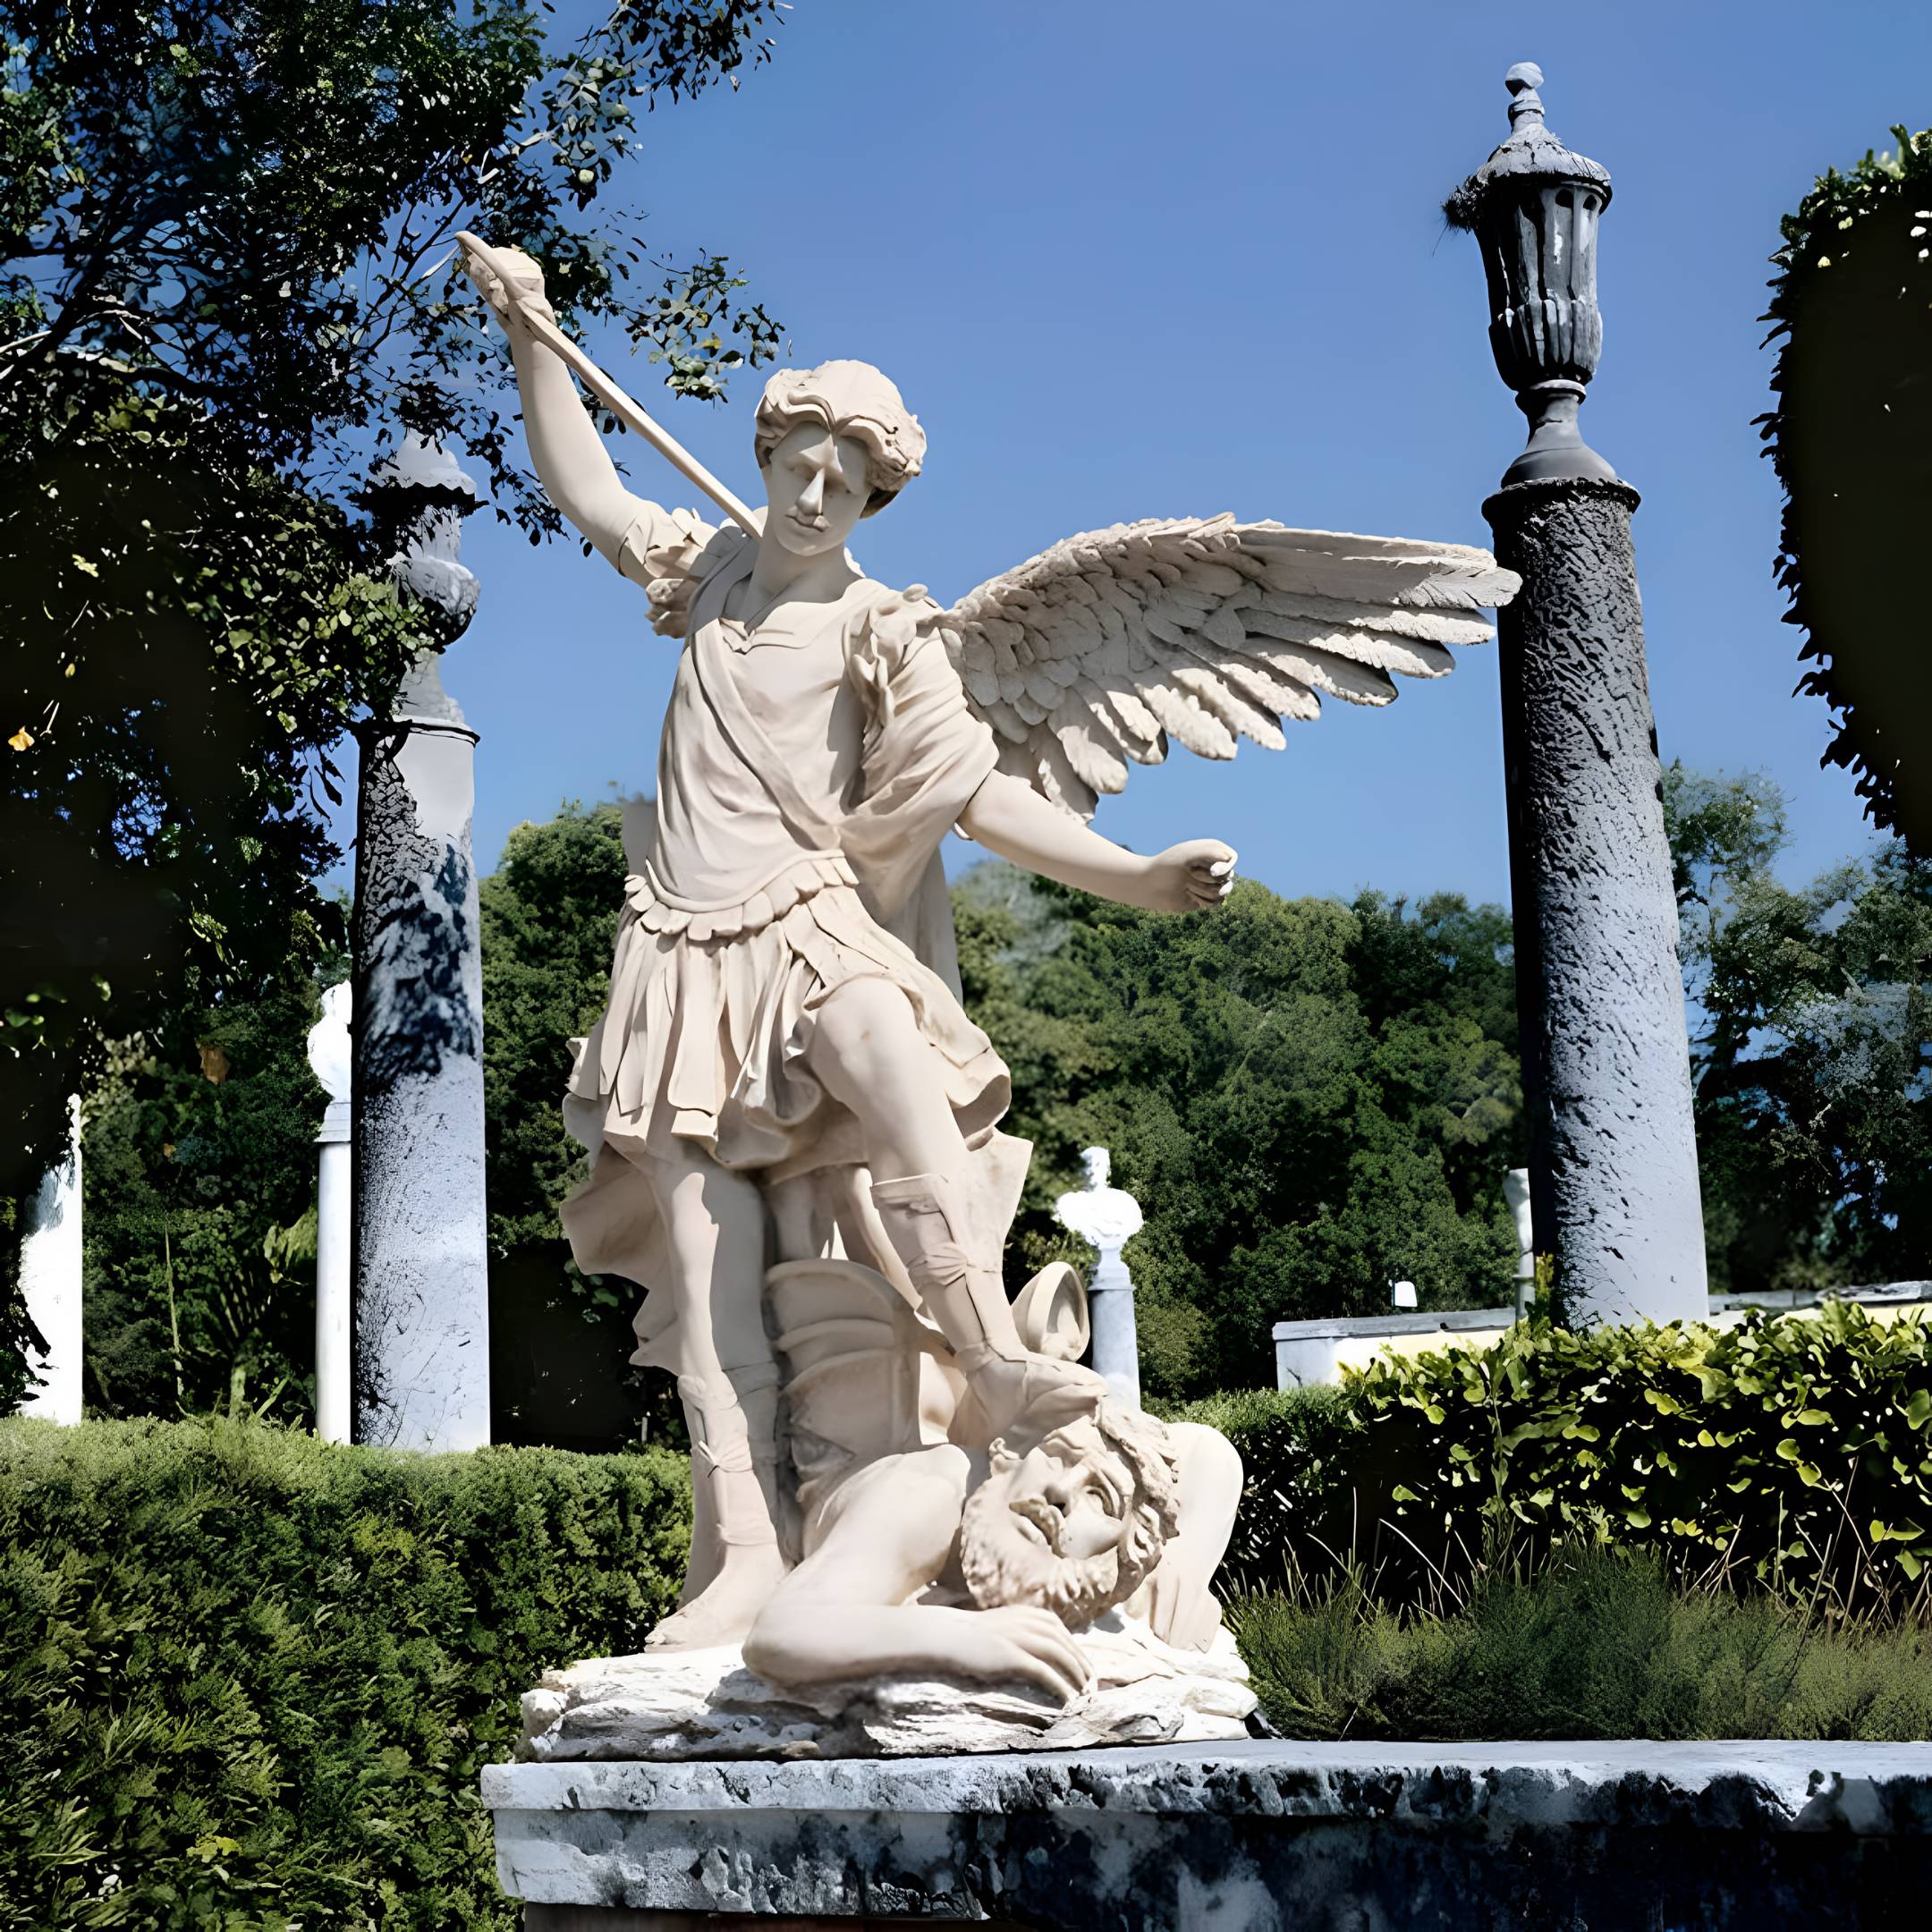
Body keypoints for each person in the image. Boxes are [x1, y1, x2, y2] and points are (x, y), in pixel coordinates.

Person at [477, 250, 1235, 1648]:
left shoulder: (888, 627)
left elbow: (977, 792)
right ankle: (745, 1552)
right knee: (714, 1287)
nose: (816, 494)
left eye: (847, 480)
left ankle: (996, 1363)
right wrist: (534, 336)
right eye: (799, 463)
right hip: (679, 951)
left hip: (810, 918)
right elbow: (584, 486)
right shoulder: (706, 577)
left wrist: (1132, 877)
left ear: (878, 494)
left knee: (889, 1041)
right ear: (766, 455)